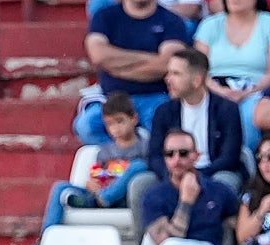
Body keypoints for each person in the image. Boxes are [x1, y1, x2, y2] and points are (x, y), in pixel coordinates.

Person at [13, 92, 148, 245]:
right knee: (60, 187)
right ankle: (46, 242)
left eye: (120, 121)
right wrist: (92, 184)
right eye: (110, 125)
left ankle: (101, 200)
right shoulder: (105, 150)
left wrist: (107, 194)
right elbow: (98, 173)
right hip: (99, 194)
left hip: (124, 197)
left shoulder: (144, 146)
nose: (116, 129)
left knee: (138, 166)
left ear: (133, 118)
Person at [128, 47, 245, 231]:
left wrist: (197, 177)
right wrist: (174, 177)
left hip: (213, 173)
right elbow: (155, 156)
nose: (168, 79)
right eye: (168, 73)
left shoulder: (226, 109)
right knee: (140, 184)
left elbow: (230, 157)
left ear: (197, 79)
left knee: (226, 182)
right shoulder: (164, 112)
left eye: (175, 74)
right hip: (173, 174)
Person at [77, 0, 189, 145]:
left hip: (155, 97)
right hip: (112, 99)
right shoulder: (105, 17)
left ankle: (145, 160)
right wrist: (151, 58)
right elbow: (98, 55)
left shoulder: (171, 20)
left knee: (165, 125)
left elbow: (167, 64)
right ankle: (123, 157)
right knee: (86, 126)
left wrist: (116, 68)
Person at [195, 0, 270, 149]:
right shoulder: (209, 25)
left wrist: (247, 93)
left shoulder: (267, 23)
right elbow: (199, 68)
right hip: (213, 89)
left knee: (249, 112)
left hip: (255, 91)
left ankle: (246, 161)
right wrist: (221, 91)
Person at [232, 133, 270, 245]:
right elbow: (243, 237)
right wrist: (262, 210)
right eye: (261, 158)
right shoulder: (251, 194)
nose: (266, 163)